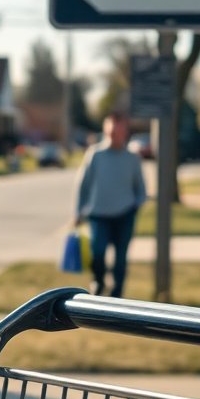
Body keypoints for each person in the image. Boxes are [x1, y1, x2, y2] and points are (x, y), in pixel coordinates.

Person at [73, 113, 147, 297]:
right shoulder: (95, 155)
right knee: (97, 253)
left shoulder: (132, 158)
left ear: (125, 132)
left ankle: (117, 293)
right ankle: (98, 281)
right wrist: (78, 211)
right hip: (98, 214)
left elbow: (141, 189)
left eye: (119, 131)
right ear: (106, 131)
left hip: (125, 215)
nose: (115, 135)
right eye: (112, 131)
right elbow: (84, 184)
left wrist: (136, 205)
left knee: (120, 259)